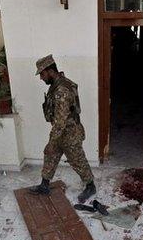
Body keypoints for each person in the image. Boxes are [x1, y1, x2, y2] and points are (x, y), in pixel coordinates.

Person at [29, 55, 96, 203]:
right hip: (60, 132)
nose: (41, 78)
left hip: (70, 133)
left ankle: (90, 186)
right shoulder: (57, 85)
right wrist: (53, 143)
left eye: (42, 74)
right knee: (50, 156)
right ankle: (44, 185)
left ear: (50, 71)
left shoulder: (62, 91)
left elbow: (60, 122)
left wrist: (51, 142)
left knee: (77, 161)